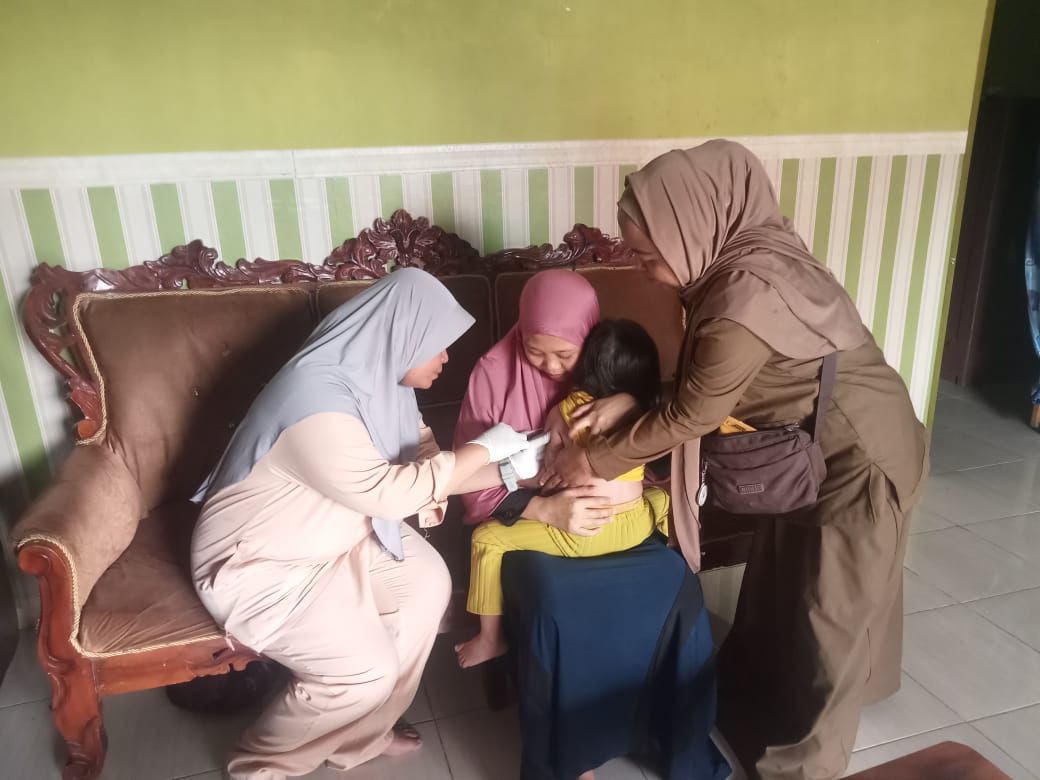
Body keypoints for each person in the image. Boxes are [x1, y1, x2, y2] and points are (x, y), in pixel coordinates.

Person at [547, 139, 928, 780]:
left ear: (692, 228)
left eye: (648, 256)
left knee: (831, 618)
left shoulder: (742, 296)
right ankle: (753, 705)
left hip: (861, 454)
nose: (642, 271)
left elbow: (692, 415)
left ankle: (802, 768)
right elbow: (713, 383)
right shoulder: (744, 258)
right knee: (783, 587)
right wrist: (631, 400)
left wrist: (596, 460)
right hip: (809, 448)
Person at [190, 269, 539, 780]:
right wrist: (485, 449)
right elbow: (390, 491)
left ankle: (361, 736)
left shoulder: (382, 382)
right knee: (365, 671)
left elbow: (426, 463)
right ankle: (259, 765)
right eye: (437, 345)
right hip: (260, 562)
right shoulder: (313, 401)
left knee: (428, 585)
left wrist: (515, 471)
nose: (446, 357)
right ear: (402, 335)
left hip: (337, 532)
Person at [455, 271, 730, 780]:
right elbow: (468, 482)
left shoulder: (613, 366)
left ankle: (675, 739)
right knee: (559, 609)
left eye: (566, 354)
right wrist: (544, 510)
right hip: (532, 514)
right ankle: (570, 755)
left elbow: (666, 436)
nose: (551, 367)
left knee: (677, 588)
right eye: (536, 352)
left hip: (603, 521)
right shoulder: (493, 374)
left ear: (591, 340)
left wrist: (629, 400)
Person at [455, 319, 671, 669]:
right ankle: (672, 555)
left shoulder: (573, 408)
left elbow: (547, 468)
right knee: (661, 498)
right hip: (637, 525)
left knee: (487, 539)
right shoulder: (652, 414)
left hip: (586, 531)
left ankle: (490, 639)